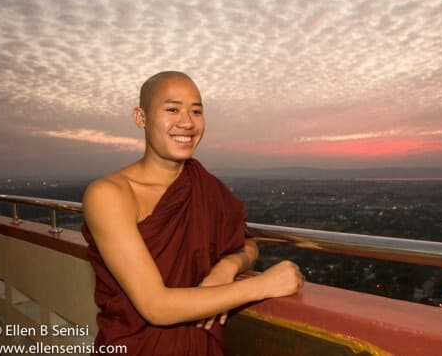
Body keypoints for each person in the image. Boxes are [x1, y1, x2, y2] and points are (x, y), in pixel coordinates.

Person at [81, 71, 304, 355]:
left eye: (196, 111)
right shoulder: (109, 194)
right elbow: (155, 306)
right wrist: (263, 285)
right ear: (141, 117)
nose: (187, 122)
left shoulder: (204, 187)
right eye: (172, 109)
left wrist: (227, 268)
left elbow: (247, 245)